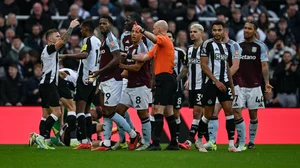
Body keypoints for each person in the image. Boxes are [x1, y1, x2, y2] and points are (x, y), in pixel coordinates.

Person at [124, 20, 178, 150]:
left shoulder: (164, 39)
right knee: (169, 111)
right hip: (167, 79)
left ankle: (156, 143)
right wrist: (127, 55)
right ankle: (174, 143)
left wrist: (142, 31)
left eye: (154, 28)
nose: (153, 30)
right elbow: (144, 57)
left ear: (159, 29)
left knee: (157, 110)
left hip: (165, 79)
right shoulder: (159, 46)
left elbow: (154, 38)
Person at [88, 15, 140, 151]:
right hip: (104, 79)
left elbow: (117, 58)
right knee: (105, 111)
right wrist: (100, 76)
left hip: (113, 80)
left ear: (110, 24)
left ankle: (133, 135)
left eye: (104, 23)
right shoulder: (105, 40)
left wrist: (100, 71)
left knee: (110, 112)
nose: (102, 26)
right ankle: (106, 142)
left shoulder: (111, 39)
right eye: (100, 24)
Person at [34, 19, 79, 150]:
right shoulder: (49, 49)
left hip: (45, 84)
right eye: (57, 36)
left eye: (59, 35)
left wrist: (58, 73)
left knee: (46, 114)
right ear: (50, 39)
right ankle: (40, 138)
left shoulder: (49, 51)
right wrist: (70, 27)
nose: (59, 37)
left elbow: (48, 67)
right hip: (48, 85)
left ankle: (44, 140)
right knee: (57, 112)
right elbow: (64, 41)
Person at [59, 19, 101, 149]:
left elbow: (84, 54)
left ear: (87, 28)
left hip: (84, 78)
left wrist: (65, 56)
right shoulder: (98, 41)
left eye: (82, 28)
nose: (81, 30)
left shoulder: (87, 41)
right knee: (87, 111)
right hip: (93, 79)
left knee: (80, 111)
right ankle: (88, 139)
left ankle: (83, 141)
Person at [112, 12, 152, 150]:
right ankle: (133, 135)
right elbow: (126, 72)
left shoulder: (142, 47)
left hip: (141, 86)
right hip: (130, 86)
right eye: (132, 33)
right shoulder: (130, 48)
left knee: (143, 114)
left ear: (141, 34)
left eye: (136, 32)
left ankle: (147, 143)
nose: (133, 34)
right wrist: (115, 75)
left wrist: (121, 66)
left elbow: (136, 67)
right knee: (118, 112)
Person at [198, 20, 239, 152]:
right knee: (208, 115)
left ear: (223, 31)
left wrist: (231, 85)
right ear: (212, 31)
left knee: (229, 111)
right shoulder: (207, 44)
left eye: (219, 30)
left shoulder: (226, 47)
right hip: (211, 83)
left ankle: (231, 144)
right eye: (214, 30)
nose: (216, 32)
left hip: (224, 83)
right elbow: (203, 65)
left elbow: (226, 66)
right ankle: (199, 140)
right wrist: (216, 81)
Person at [233, 20, 273, 149]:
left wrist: (267, 83)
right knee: (237, 113)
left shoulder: (261, 46)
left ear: (255, 31)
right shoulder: (237, 45)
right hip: (239, 85)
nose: (246, 31)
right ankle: (240, 139)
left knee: (253, 115)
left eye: (249, 28)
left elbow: (264, 66)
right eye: (245, 28)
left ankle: (251, 141)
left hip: (254, 85)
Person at [175, 24, 205, 150]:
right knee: (201, 114)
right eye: (191, 31)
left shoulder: (206, 48)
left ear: (201, 33)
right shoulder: (190, 49)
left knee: (197, 112)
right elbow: (187, 67)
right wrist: (177, 79)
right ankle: (204, 140)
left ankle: (189, 141)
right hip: (192, 86)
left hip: (203, 85)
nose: (192, 34)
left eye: (195, 32)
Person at [166, 31, 187, 143]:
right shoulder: (160, 51)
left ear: (173, 39)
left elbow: (186, 66)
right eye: (166, 37)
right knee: (159, 111)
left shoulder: (179, 52)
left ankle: (176, 138)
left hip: (177, 87)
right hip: (164, 87)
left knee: (176, 113)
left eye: (170, 37)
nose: (168, 38)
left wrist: (179, 79)